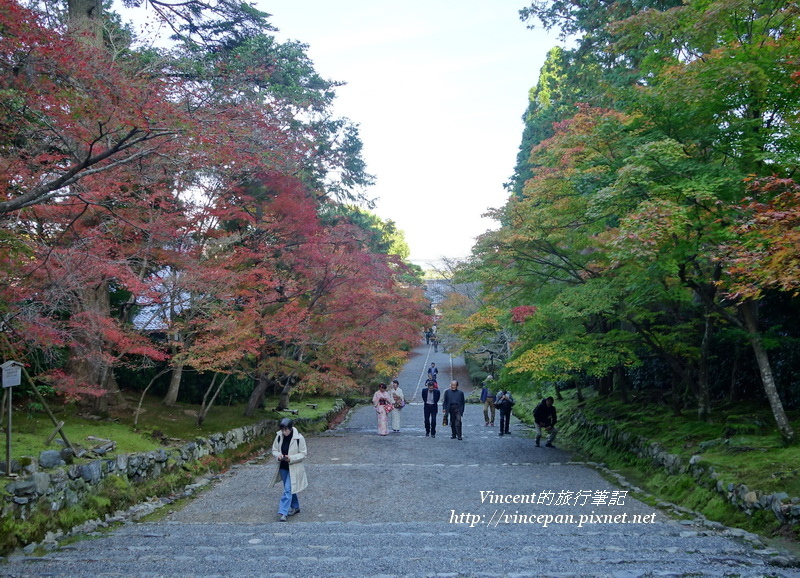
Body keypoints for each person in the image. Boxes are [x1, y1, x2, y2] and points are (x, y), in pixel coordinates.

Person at [270, 418, 308, 522]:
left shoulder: (299, 438)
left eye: (286, 430)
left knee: (287, 490)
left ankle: (283, 512)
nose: (284, 432)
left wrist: (291, 458)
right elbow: (274, 450)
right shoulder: (279, 436)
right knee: (291, 489)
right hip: (283, 467)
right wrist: (278, 456)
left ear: (290, 428)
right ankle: (296, 507)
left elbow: (303, 453)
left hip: (294, 468)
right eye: (282, 430)